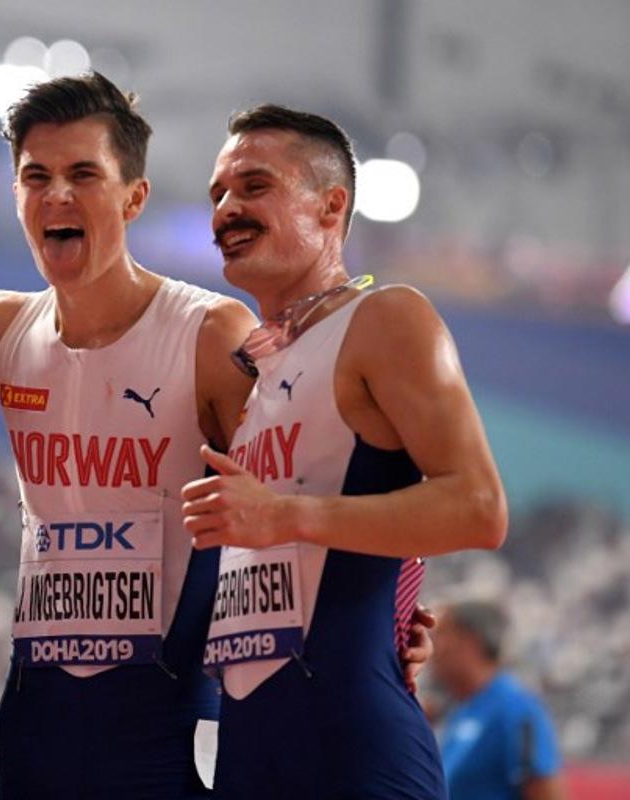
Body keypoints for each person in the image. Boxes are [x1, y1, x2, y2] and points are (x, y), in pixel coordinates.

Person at [0, 76, 435, 799]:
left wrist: (395, 616)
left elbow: (334, 474)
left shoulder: (209, 335)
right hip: (36, 728)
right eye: (36, 177)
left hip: (168, 736)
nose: (57, 196)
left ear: (133, 198)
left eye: (82, 175)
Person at [181, 104, 509, 798]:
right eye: (217, 195)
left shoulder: (386, 318)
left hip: (354, 753)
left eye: (253, 186)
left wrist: (287, 518)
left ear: (331, 207)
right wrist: (395, 600)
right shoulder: (255, 370)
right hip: (248, 753)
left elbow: (479, 508)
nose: (226, 210)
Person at [433, 601, 565, 800]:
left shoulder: (518, 711)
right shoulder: (461, 708)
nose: (431, 645)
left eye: (440, 634)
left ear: (470, 641)